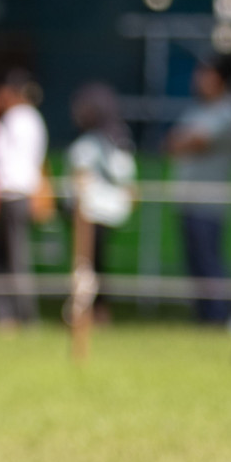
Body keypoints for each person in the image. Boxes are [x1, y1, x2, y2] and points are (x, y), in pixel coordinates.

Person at [166, 54, 231, 324]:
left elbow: (196, 141)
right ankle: (204, 318)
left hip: (210, 202)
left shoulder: (230, 110)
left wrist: (184, 141)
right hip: (186, 199)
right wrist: (183, 141)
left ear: (221, 78)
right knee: (195, 265)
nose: (199, 79)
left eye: (206, 74)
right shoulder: (196, 110)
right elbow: (172, 142)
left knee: (210, 262)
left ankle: (219, 317)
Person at [66, 83, 137, 324]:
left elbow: (121, 177)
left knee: (89, 265)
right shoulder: (113, 140)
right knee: (92, 264)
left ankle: (89, 312)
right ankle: (93, 311)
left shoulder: (105, 143)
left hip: (94, 212)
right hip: (93, 211)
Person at [0, 69, 48, 327]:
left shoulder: (13, 118)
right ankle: (11, 314)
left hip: (9, 193)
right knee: (11, 256)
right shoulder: (34, 119)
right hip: (23, 192)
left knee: (11, 257)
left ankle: (19, 315)